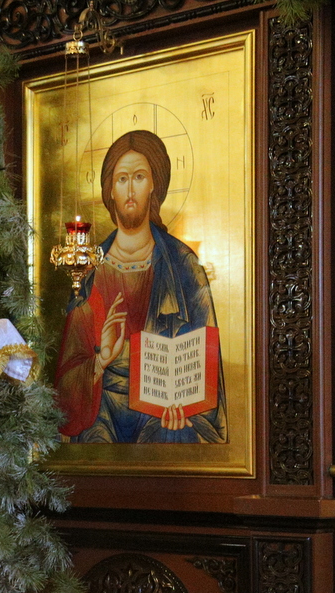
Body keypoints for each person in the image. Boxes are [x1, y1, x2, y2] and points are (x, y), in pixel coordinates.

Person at [54, 129, 227, 444]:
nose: (130, 189)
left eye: (139, 177)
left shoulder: (183, 264)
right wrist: (100, 361)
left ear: (153, 185)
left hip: (162, 415)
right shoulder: (87, 270)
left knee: (172, 436)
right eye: (122, 179)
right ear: (110, 190)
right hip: (101, 415)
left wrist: (188, 407)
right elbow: (67, 380)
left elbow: (206, 367)